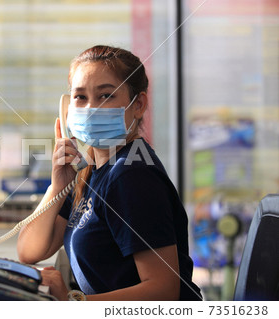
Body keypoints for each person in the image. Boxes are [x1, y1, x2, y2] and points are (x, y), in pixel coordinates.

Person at [17, 45, 202, 301]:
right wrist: (57, 186)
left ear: (138, 105)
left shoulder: (131, 175)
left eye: (106, 96)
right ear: (67, 108)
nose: (91, 107)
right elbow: (30, 251)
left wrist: (72, 303)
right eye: (80, 97)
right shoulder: (91, 170)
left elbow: (163, 291)